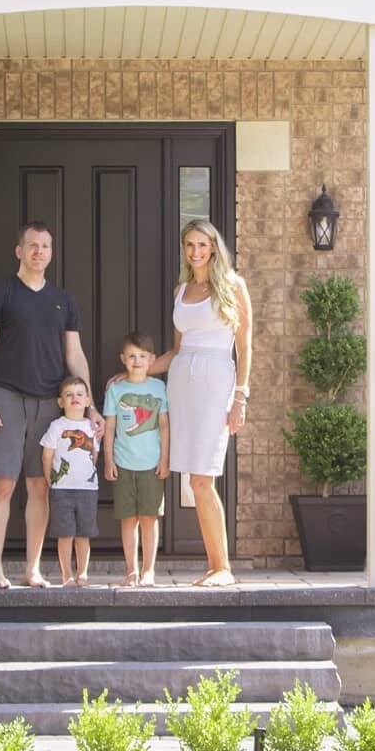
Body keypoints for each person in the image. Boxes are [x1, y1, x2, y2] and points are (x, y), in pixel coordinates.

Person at [0, 221, 102, 589]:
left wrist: (90, 405)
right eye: (32, 245)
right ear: (19, 251)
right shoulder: (2, 293)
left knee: (40, 487)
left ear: (51, 252)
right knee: (3, 485)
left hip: (49, 402)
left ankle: (32, 569)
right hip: (6, 396)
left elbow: (74, 355)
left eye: (45, 246)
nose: (38, 252)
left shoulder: (63, 300)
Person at [152, 220, 251, 588]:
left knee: (202, 477)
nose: (196, 251)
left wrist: (241, 395)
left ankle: (221, 567)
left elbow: (245, 347)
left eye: (202, 244)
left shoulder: (233, 286)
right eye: (189, 244)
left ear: (213, 247)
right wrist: (139, 369)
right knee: (192, 480)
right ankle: (215, 566)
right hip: (182, 381)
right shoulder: (181, 290)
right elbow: (177, 350)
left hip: (217, 380)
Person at [102, 331, 170, 588]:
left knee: (149, 518)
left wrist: (165, 458)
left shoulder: (159, 388)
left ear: (152, 359)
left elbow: (164, 425)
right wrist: (108, 461)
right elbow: (109, 427)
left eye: (142, 356)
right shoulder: (116, 389)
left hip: (151, 464)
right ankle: (131, 570)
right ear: (123, 359)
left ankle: (149, 570)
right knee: (129, 520)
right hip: (123, 462)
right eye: (131, 356)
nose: (137, 360)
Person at [40, 377, 101, 587]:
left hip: (87, 490)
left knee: (84, 534)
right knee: (65, 534)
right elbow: (47, 456)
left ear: (87, 401)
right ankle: (66, 574)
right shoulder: (57, 426)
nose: (75, 398)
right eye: (69, 394)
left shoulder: (92, 427)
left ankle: (82, 573)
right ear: (60, 402)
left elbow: (94, 455)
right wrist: (50, 479)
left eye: (79, 394)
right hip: (62, 490)